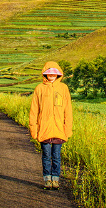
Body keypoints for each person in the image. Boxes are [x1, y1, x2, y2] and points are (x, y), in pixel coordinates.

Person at [29, 60, 73, 190]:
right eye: (49, 74)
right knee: (46, 156)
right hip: (44, 129)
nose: (52, 76)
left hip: (59, 130)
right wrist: (34, 130)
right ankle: (47, 179)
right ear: (45, 75)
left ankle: (56, 179)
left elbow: (68, 111)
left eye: (54, 74)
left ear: (58, 75)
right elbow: (34, 111)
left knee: (57, 156)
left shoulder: (63, 88)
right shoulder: (39, 89)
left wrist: (67, 129)